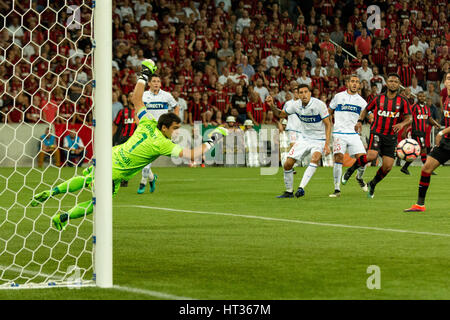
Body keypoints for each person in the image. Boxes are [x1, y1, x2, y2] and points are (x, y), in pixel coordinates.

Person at [30, 60, 227, 231]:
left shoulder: (147, 122)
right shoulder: (162, 144)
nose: (177, 131)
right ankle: (62, 217)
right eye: (175, 128)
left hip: (109, 156)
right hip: (116, 172)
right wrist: (215, 137)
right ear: (165, 127)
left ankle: (52, 192)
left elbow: (136, 99)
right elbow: (192, 155)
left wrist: (144, 74)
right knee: (98, 203)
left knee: (85, 179)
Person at [341, 73, 412, 198]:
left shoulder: (403, 101)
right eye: (391, 81)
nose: (393, 83)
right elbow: (366, 110)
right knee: (371, 155)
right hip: (377, 132)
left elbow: (409, 118)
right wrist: (359, 121)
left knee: (388, 166)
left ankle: (372, 184)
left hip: (391, 137)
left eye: (396, 82)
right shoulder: (378, 98)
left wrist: (402, 124)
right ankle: (350, 170)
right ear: (387, 83)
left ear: (399, 85)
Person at [265, 84, 332, 198]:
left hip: (319, 139)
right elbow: (281, 114)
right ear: (298, 95)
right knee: (287, 164)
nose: (304, 94)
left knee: (315, 158)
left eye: (306, 92)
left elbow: (328, 124)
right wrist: (271, 105)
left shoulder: (319, 105)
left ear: (310, 93)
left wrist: (327, 144)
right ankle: (289, 191)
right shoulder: (295, 105)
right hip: (304, 138)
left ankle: (301, 188)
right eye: (301, 92)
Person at [404, 72, 450, 212]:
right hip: (447, 142)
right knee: (426, 168)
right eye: (448, 78)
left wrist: (441, 132)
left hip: (445, 136)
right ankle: (420, 204)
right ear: (444, 82)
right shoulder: (446, 98)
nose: (449, 81)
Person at [138, 74, 180, 195]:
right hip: (148, 129)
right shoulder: (144, 95)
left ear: (160, 84)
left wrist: (174, 121)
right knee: (145, 157)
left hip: (162, 131)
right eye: (154, 81)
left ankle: (143, 182)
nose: (156, 83)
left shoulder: (166, 95)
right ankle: (150, 179)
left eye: (158, 81)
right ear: (149, 83)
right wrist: (139, 123)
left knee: (146, 157)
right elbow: (139, 109)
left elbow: (176, 106)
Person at [328, 75, 369, 197]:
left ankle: (359, 177)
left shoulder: (362, 102)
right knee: (338, 158)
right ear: (347, 83)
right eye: (352, 81)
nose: (355, 84)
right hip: (339, 133)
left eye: (357, 82)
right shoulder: (338, 97)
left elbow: (369, 115)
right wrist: (330, 124)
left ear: (359, 85)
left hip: (353, 134)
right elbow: (329, 111)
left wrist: (364, 121)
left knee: (363, 160)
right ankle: (337, 189)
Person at [400, 91, 441, 175]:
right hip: (416, 132)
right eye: (420, 96)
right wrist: (404, 131)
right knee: (423, 150)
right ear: (417, 97)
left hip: (423, 132)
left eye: (423, 96)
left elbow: (429, 118)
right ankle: (428, 169)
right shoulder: (414, 107)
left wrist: (436, 124)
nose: (422, 98)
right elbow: (408, 119)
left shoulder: (426, 107)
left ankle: (405, 168)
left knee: (417, 151)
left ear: (425, 97)